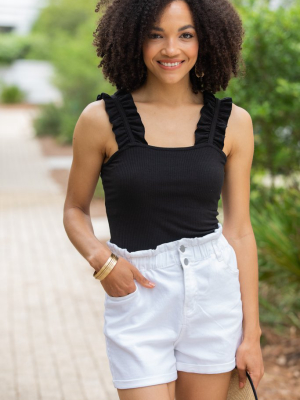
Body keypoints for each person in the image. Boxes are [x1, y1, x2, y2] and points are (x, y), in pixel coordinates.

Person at [63, 0, 264, 399]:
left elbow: (239, 230)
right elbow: (74, 209)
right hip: (140, 295)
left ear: (205, 40)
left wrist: (252, 333)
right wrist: (102, 261)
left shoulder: (234, 123)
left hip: (213, 297)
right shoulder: (100, 119)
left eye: (185, 35)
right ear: (133, 39)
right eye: (156, 34)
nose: (171, 49)